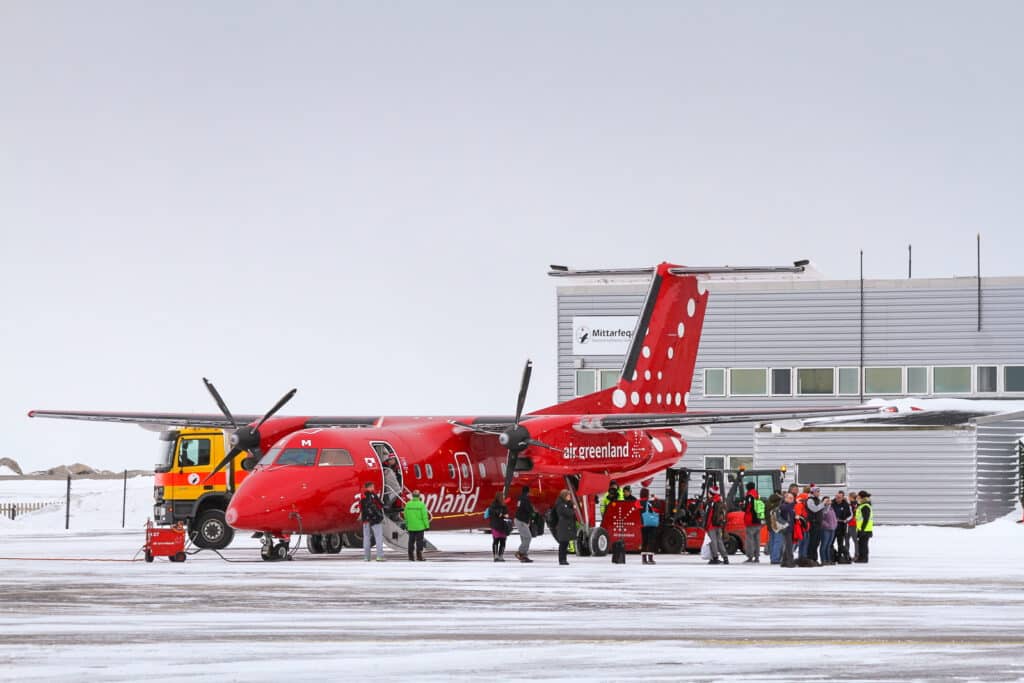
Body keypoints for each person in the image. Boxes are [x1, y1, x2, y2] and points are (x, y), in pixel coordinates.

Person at [360, 482, 386, 562]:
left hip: (365, 519)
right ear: (369, 487)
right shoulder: (373, 495)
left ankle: (366, 557)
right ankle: (379, 556)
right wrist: (379, 515)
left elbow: (361, 507)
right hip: (375, 519)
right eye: (372, 487)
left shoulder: (362, 496)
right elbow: (380, 505)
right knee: (378, 538)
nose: (373, 489)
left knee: (366, 538)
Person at [704, 485, 729, 565]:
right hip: (719, 525)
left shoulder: (712, 502)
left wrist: (706, 526)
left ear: (711, 493)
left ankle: (715, 558)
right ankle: (725, 558)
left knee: (713, 542)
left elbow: (709, 515)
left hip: (711, 525)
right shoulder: (721, 501)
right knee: (719, 541)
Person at [402, 490, 430, 561]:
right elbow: (424, 516)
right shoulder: (421, 505)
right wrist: (427, 526)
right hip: (420, 527)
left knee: (411, 542)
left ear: (412, 496)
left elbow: (405, 516)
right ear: (419, 496)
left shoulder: (408, 504)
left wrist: (407, 525)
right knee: (419, 541)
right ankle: (419, 556)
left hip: (411, 527)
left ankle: (410, 557)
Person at [743, 481, 764, 563]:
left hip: (750, 520)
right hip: (758, 520)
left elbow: (747, 508)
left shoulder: (749, 496)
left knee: (750, 540)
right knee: (757, 540)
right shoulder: (757, 495)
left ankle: (750, 556)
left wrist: (743, 507)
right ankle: (757, 557)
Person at [514, 486, 535, 563]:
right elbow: (528, 509)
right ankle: (520, 552)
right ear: (528, 491)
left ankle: (524, 556)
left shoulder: (520, 498)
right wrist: (533, 512)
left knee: (524, 538)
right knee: (528, 537)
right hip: (521, 520)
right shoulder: (525, 499)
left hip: (520, 520)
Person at [805, 485, 824, 566]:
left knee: (817, 542)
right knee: (812, 542)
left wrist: (827, 505)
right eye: (817, 491)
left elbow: (822, 511)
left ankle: (814, 559)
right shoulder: (810, 500)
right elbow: (814, 509)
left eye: (819, 491)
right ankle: (810, 558)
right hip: (813, 523)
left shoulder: (818, 500)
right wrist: (823, 504)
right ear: (812, 492)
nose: (819, 493)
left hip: (818, 524)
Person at [487, 492, 510, 562]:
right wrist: (501, 514)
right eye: (502, 496)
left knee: (502, 541)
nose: (503, 497)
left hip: (502, 525)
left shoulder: (503, 505)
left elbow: (505, 513)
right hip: (496, 525)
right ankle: (496, 556)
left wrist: (503, 514)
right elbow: (494, 513)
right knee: (496, 540)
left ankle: (500, 555)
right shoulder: (493, 505)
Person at [638, 487, 658, 565]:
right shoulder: (649, 502)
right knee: (651, 541)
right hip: (650, 524)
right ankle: (650, 558)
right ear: (647, 494)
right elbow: (656, 508)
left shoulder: (638, 502)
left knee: (644, 541)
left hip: (643, 524)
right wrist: (655, 498)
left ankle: (644, 559)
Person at [555, 489, 576, 565]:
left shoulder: (565, 503)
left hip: (566, 526)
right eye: (568, 495)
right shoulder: (561, 504)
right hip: (563, 526)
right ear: (565, 496)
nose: (569, 497)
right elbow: (568, 513)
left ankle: (564, 559)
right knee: (563, 543)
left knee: (565, 543)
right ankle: (562, 559)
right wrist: (573, 509)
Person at [832, 490, 852, 562]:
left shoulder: (846, 505)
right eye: (836, 497)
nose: (837, 499)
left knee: (840, 543)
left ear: (843, 498)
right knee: (830, 543)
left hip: (841, 527)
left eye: (839, 497)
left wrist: (846, 520)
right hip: (832, 527)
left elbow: (850, 515)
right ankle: (833, 555)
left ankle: (840, 556)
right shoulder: (832, 503)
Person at [778, 492, 796, 568]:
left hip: (790, 528)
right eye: (789, 498)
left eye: (792, 498)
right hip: (786, 528)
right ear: (785, 498)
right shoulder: (783, 506)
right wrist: (794, 503)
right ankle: (789, 561)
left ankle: (784, 561)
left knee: (789, 545)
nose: (791, 500)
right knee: (789, 545)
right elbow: (786, 509)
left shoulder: (790, 507)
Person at [855, 490, 873, 563]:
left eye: (858, 496)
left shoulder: (865, 506)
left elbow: (866, 519)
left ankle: (863, 558)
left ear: (861, 497)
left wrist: (862, 529)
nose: (857, 497)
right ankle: (862, 558)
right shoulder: (863, 505)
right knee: (862, 544)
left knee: (863, 544)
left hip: (865, 529)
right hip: (863, 529)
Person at [766, 490, 783, 564]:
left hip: (770, 525)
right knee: (778, 541)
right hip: (777, 526)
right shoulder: (778, 506)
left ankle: (772, 557)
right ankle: (775, 558)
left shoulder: (767, 505)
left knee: (772, 541)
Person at [820, 496, 837, 565]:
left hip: (832, 529)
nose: (828, 501)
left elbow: (834, 518)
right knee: (824, 544)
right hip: (825, 529)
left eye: (829, 500)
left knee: (829, 545)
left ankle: (828, 560)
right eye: (826, 500)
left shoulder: (831, 509)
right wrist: (826, 525)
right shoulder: (823, 509)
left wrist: (835, 524)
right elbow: (821, 519)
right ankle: (823, 560)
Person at [848, 491, 860, 562]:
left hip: (852, 524)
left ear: (851, 497)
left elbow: (852, 514)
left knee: (854, 540)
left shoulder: (852, 505)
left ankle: (856, 555)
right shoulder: (857, 504)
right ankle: (851, 554)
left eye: (849, 497)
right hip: (852, 524)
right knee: (851, 540)